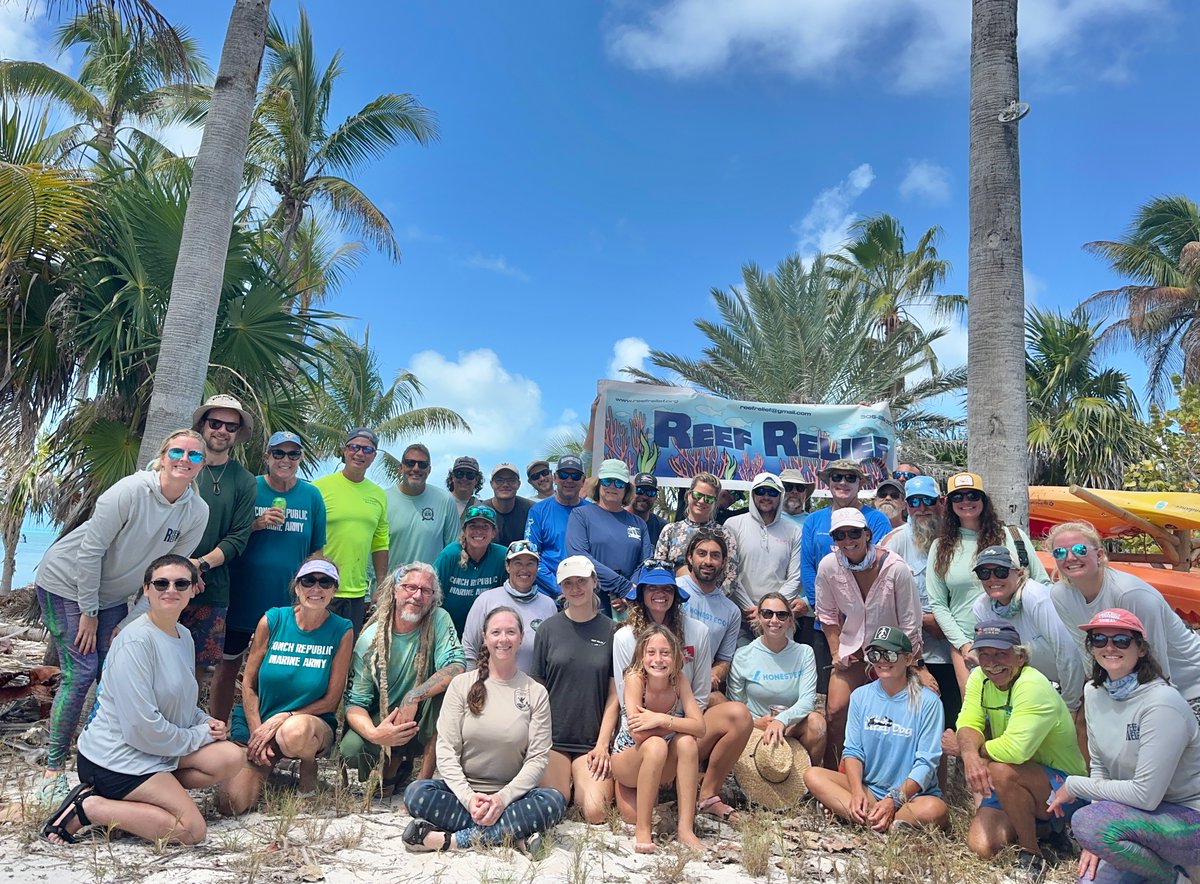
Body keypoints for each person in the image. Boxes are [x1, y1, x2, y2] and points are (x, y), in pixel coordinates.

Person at [34, 429, 210, 805]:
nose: (184, 460)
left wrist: (129, 624)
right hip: (67, 582)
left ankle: (101, 759)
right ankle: (52, 769)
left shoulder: (197, 512)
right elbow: (90, 550)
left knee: (112, 669)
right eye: (177, 451)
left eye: (194, 456)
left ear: (202, 463)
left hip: (112, 592)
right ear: (163, 455)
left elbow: (164, 573)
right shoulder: (130, 491)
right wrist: (90, 611)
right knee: (81, 672)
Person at [41, 555, 243, 845]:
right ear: (146, 590)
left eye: (180, 583)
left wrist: (205, 723)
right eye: (161, 583)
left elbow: (181, 702)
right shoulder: (135, 642)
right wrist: (197, 735)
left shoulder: (183, 636)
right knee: (190, 830)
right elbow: (142, 728)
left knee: (230, 757)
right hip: (117, 759)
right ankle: (90, 807)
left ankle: (147, 799)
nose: (170, 589)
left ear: (193, 589)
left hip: (154, 749)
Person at [1046, 608, 1200, 884]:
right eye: (1099, 640)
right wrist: (1098, 842)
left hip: (1187, 819)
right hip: (1136, 818)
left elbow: (1145, 795)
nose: (1109, 647)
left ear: (1141, 649)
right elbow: (1101, 765)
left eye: (1121, 640)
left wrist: (1075, 786)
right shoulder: (1093, 692)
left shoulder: (1161, 702)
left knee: (1086, 821)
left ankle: (1175, 879)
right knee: (1088, 878)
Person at [402, 607, 566, 854]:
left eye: (511, 632)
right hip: (463, 794)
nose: (503, 639)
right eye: (496, 632)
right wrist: (469, 799)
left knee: (554, 800)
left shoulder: (536, 692)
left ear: (521, 638)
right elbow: (446, 749)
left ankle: (455, 840)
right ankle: (514, 836)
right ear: (485, 637)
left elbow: (537, 759)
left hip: (513, 797)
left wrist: (502, 799)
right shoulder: (462, 685)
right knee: (417, 792)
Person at [612, 561, 752, 825]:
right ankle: (659, 779)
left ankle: (707, 793)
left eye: (667, 588)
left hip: (683, 723)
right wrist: (658, 727)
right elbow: (625, 702)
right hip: (640, 735)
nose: (660, 594)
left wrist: (672, 725)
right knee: (633, 817)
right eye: (652, 587)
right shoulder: (625, 637)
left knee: (738, 714)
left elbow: (699, 694)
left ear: (676, 594)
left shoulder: (698, 631)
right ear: (641, 593)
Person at [218, 557, 353, 813]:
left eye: (325, 582)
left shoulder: (341, 629)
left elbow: (331, 701)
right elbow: (248, 684)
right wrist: (258, 732)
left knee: (294, 731)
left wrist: (284, 716)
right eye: (309, 581)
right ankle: (270, 769)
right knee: (230, 804)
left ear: (334, 590)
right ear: (297, 586)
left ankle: (307, 769)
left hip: (307, 723)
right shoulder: (273, 620)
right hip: (259, 721)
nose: (316, 588)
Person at [956, 619, 1087, 882]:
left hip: (1066, 783)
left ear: (1020, 656)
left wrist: (975, 752)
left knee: (1000, 770)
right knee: (982, 846)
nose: (992, 662)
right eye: (985, 654)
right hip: (1021, 776)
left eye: (1001, 653)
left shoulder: (1032, 684)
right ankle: (1048, 828)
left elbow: (1015, 750)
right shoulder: (979, 678)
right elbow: (967, 722)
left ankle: (1031, 853)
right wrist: (968, 755)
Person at [210, 430, 326, 724]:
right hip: (241, 596)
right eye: (278, 453)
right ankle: (219, 729)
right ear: (266, 457)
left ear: (299, 458)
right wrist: (256, 523)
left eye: (292, 454)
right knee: (227, 668)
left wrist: (312, 594)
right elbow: (227, 535)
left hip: (285, 603)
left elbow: (317, 551)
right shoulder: (250, 487)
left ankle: (266, 734)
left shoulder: (311, 496)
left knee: (275, 673)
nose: (285, 460)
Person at [1048, 521, 1200, 720]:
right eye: (1060, 552)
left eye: (1079, 549)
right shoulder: (1060, 595)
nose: (1070, 557)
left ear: (1099, 555)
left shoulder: (1131, 594)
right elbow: (1087, 651)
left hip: (1189, 683)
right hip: (1132, 683)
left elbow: (1156, 661)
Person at [803, 626, 947, 833]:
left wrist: (894, 799)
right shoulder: (860, 696)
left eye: (889, 654)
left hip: (910, 797)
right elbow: (853, 751)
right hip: (870, 789)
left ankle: (853, 814)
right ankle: (881, 819)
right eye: (875, 654)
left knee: (936, 809)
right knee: (813, 775)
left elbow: (927, 762)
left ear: (907, 659)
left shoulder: (928, 702)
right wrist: (855, 792)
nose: (881, 660)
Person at [339, 563, 466, 790]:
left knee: (448, 694)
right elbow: (355, 702)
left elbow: (456, 666)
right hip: (386, 715)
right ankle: (394, 762)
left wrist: (414, 695)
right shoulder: (370, 639)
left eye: (426, 590)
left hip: (422, 712)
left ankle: (422, 783)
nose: (417, 595)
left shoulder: (439, 619)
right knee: (352, 749)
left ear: (433, 597)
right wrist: (376, 734)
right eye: (410, 587)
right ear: (395, 590)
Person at [816, 507, 923, 768]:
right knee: (836, 710)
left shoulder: (896, 568)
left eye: (854, 532)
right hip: (851, 651)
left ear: (867, 534)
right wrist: (835, 653)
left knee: (891, 718)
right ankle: (833, 774)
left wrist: (910, 665)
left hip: (892, 655)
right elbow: (827, 614)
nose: (848, 540)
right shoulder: (829, 566)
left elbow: (910, 623)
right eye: (840, 535)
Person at [927, 472, 1048, 693]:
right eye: (958, 497)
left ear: (984, 499)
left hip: (1018, 642)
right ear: (949, 503)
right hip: (969, 643)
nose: (966, 502)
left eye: (973, 495)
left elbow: (1043, 583)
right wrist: (963, 645)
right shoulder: (940, 547)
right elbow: (938, 604)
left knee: (1026, 706)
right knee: (979, 714)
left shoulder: (1013, 536)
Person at [531, 556, 619, 824]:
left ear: (595, 581)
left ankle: (580, 783)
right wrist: (537, 740)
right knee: (553, 806)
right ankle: (566, 785)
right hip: (554, 740)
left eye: (581, 581)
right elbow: (538, 689)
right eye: (568, 583)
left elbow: (615, 695)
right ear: (561, 588)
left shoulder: (613, 631)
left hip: (591, 742)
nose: (576, 588)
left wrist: (603, 744)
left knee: (596, 812)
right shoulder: (547, 630)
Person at [611, 624, 707, 854]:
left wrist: (661, 719)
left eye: (665, 653)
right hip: (628, 758)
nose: (658, 659)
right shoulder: (635, 679)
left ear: (675, 657)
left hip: (660, 757)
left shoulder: (679, 680)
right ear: (641, 656)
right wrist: (674, 724)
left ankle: (685, 828)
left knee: (686, 742)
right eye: (651, 652)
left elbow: (700, 727)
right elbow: (638, 733)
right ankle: (642, 829)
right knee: (654, 745)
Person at [800, 458, 891, 696]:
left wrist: (854, 610)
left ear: (861, 483)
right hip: (825, 625)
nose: (843, 482)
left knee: (869, 693)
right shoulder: (813, 520)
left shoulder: (877, 520)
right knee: (825, 695)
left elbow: (878, 569)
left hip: (867, 626)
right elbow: (808, 568)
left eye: (850, 477)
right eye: (836, 477)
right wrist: (824, 610)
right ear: (828, 482)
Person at [185, 394, 259, 681]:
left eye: (231, 426)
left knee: (197, 672)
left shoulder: (244, 480)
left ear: (238, 433)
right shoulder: (181, 465)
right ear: (203, 424)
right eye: (216, 422)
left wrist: (198, 566)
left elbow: (237, 538)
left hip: (212, 588)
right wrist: (179, 568)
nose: (222, 431)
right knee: (149, 662)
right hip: (164, 583)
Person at [880, 475, 960, 738]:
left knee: (952, 730)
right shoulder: (895, 541)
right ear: (906, 505)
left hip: (954, 654)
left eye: (928, 500)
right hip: (913, 657)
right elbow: (881, 599)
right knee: (913, 730)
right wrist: (926, 620)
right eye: (914, 502)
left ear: (942, 502)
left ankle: (952, 781)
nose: (922, 508)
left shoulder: (957, 538)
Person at [969, 545, 1085, 712]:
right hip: (1034, 689)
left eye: (1001, 571)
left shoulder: (1036, 598)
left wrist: (1070, 705)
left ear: (1019, 572)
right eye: (984, 573)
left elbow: (1069, 653)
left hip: (1078, 687)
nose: (992, 579)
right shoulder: (982, 607)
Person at [728, 592, 826, 765]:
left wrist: (782, 720)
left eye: (781, 615)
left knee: (817, 723)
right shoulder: (743, 655)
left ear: (790, 619)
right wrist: (756, 723)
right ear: (758, 617)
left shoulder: (804, 653)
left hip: (791, 725)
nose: (774, 620)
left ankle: (807, 780)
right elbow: (735, 704)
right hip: (754, 727)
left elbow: (807, 700)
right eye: (767, 613)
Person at [312, 428, 389, 636]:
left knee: (345, 657)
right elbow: (307, 536)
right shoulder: (318, 488)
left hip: (356, 593)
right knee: (316, 654)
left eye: (367, 449)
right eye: (354, 447)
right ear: (344, 451)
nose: (360, 453)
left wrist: (381, 584)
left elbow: (380, 542)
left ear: (373, 456)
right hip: (320, 587)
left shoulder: (379, 495)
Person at [566, 458, 652, 614]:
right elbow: (579, 556)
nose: (613, 487)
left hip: (629, 602)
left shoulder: (639, 524)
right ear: (598, 485)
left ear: (626, 489)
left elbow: (645, 564)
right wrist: (622, 586)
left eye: (619, 483)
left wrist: (630, 592)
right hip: (592, 600)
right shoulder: (580, 515)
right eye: (607, 481)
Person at [725, 472, 802, 638]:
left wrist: (770, 611)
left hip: (778, 620)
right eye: (761, 491)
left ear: (780, 496)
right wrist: (752, 611)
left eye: (772, 492)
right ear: (752, 494)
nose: (766, 496)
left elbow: (796, 578)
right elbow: (730, 574)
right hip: (741, 617)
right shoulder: (733, 525)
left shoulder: (794, 531)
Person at [461, 540, 558, 672]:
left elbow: (552, 655)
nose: (524, 569)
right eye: (518, 563)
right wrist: (470, 686)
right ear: (507, 566)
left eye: (530, 563)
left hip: (533, 689)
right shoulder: (486, 600)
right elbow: (469, 649)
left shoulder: (548, 605)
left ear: (537, 567)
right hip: (491, 687)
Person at [654, 472, 741, 598]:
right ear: (689, 495)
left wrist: (713, 601)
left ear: (715, 502)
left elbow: (732, 576)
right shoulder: (670, 530)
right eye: (697, 495)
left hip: (711, 607)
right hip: (673, 603)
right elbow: (659, 569)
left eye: (708, 498)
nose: (701, 501)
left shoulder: (724, 535)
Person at [679, 529, 742, 699]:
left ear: (724, 562)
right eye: (701, 554)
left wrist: (715, 673)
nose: (708, 561)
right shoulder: (671, 591)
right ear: (690, 557)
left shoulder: (731, 611)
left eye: (715, 556)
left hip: (700, 690)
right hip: (664, 681)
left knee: (735, 712)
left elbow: (724, 659)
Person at [433, 504, 507, 636]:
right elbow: (431, 593)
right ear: (464, 531)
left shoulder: (502, 556)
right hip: (448, 632)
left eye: (485, 527)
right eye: (473, 526)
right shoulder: (449, 555)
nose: (479, 531)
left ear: (493, 533)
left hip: (487, 634)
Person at [525, 454, 591, 598]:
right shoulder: (538, 511)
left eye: (575, 476)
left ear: (583, 480)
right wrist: (560, 588)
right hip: (549, 595)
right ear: (555, 478)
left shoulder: (593, 511)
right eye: (563, 475)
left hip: (586, 593)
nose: (569, 480)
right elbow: (532, 555)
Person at [386, 443, 460, 568]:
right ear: (401, 467)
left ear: (429, 470)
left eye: (422, 464)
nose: (416, 468)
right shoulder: (383, 499)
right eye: (410, 463)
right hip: (391, 585)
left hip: (430, 586)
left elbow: (454, 551)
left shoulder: (446, 500)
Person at [483, 462, 533, 547]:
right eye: (499, 480)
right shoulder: (480, 511)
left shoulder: (532, 510)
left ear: (519, 484)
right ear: (492, 484)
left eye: (511, 480)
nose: (505, 485)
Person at [627, 472, 667, 547]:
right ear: (631, 491)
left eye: (650, 492)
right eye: (639, 490)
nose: (644, 496)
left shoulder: (662, 527)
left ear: (656, 497)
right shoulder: (617, 520)